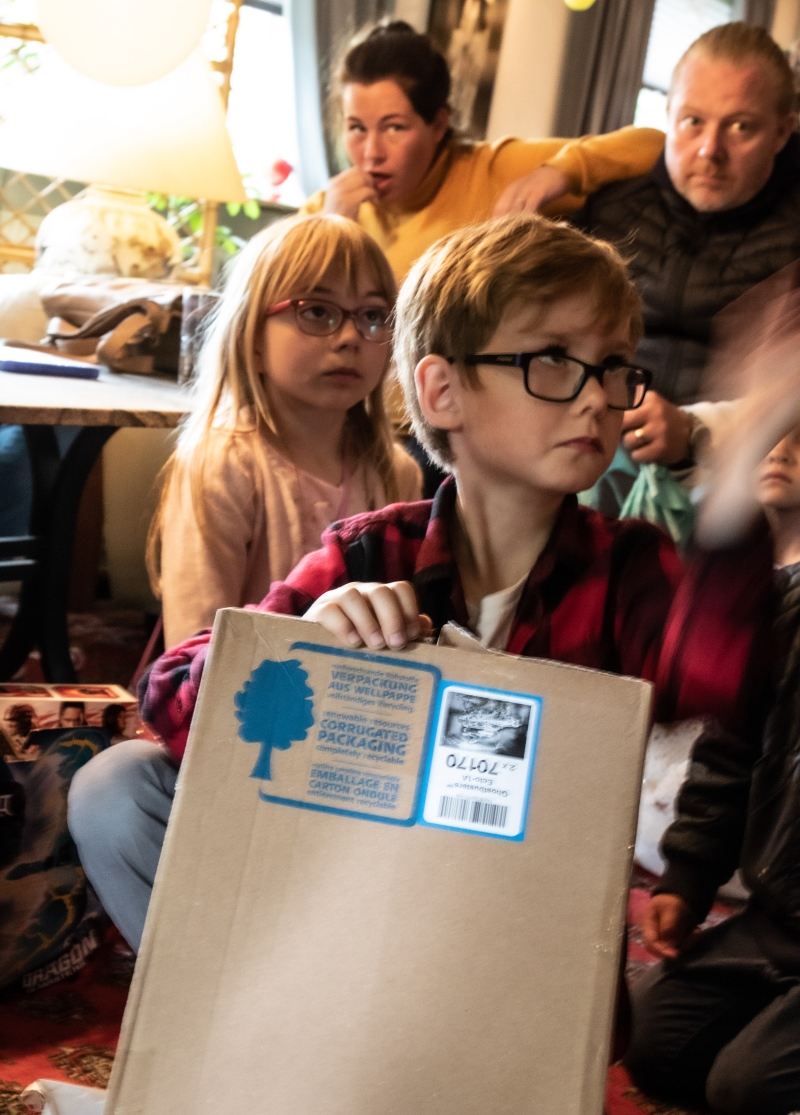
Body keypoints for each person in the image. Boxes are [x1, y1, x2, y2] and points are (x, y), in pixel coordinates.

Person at [69, 213, 793, 961]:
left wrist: (738, 468)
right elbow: (173, 695)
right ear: (442, 391)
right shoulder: (372, 551)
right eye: (554, 358)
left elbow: (720, 680)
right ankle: (237, 1006)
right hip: (340, 896)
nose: (597, 397)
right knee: (118, 787)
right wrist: (306, 642)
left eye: (613, 366)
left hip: (507, 934)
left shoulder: (628, 565)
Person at [625, 421, 800, 1115]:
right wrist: (688, 880)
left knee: (746, 1086)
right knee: (650, 1042)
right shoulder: (778, 604)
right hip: (778, 922)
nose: (781, 449)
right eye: (779, 433)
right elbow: (730, 755)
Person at [148, 214, 422, 649]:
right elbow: (193, 650)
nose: (350, 337)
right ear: (252, 337)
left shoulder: (396, 471)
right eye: (317, 311)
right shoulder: (223, 465)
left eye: (373, 315)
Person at [571, 22, 800, 493]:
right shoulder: (606, 208)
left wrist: (695, 434)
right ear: (668, 115)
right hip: (595, 452)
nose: (710, 150)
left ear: (782, 132)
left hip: (742, 480)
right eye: (693, 121)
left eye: (741, 127)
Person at [303, 19, 665, 285]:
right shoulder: (330, 208)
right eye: (356, 128)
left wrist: (561, 171)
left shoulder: (490, 169)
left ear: (438, 125)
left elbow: (654, 143)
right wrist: (326, 236)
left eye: (394, 127)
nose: (371, 152)